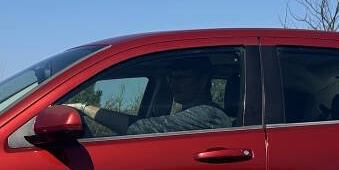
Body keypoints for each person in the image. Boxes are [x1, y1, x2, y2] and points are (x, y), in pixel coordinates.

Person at [67, 55, 232, 135]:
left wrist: (83, 107)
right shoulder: (193, 115)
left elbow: (137, 128)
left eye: (181, 78)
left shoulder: (208, 114)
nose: (173, 84)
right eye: (170, 78)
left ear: (203, 80)